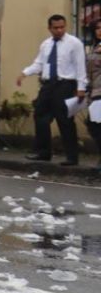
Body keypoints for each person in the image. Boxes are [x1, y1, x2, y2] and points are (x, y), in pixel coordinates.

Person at [19, 13, 87, 166]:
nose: (59, 30)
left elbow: (80, 66)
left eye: (62, 27)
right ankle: (43, 152)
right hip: (48, 84)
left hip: (65, 84)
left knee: (64, 119)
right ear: (49, 28)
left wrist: (81, 87)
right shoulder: (46, 44)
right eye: (55, 28)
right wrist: (25, 73)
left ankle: (72, 156)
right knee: (40, 115)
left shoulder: (74, 43)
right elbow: (39, 63)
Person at [83, 18, 101, 179]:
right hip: (94, 92)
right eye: (98, 28)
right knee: (93, 125)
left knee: (96, 126)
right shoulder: (94, 48)